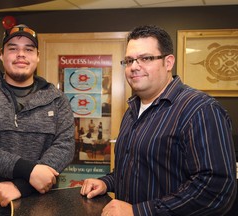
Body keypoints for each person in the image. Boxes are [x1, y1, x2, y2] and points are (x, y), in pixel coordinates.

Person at [80, 25, 237, 216]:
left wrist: (140, 212)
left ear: (168, 62)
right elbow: (136, 168)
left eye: (145, 58)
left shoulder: (200, 109)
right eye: (129, 60)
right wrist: (107, 182)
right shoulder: (132, 111)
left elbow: (215, 189)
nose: (134, 66)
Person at [0, 24, 75, 215]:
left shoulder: (57, 99)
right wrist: (28, 171)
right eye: (13, 48)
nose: (21, 54)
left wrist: (22, 186)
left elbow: (65, 146)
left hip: (40, 207)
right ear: (2, 55)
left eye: (28, 49)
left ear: (37, 56)